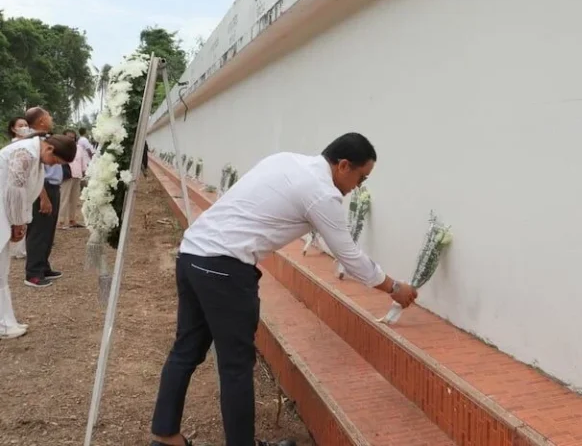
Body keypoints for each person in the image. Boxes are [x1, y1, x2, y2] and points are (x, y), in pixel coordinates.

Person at [150, 133, 418, 446]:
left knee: (186, 349)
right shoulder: (322, 194)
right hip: (224, 268)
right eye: (361, 177)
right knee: (236, 366)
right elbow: (350, 257)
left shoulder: (285, 160)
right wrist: (393, 287)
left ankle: (165, 437)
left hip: (193, 253)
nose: (358, 187)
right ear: (344, 165)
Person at [0, 134, 77, 339]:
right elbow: (15, 191)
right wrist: (18, 222)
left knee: (2, 271)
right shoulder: (25, 154)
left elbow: (25, 191)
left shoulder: (35, 155)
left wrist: (22, 220)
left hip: (5, 212)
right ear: (50, 149)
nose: (55, 165)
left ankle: (6, 321)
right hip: (3, 210)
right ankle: (4, 323)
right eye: (57, 161)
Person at [23, 107, 62, 288]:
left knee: (48, 230)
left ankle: (43, 266)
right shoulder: (33, 142)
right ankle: (33, 273)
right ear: (40, 121)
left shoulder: (45, 139)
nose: (51, 118)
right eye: (48, 115)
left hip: (52, 187)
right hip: (42, 188)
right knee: (38, 230)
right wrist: (43, 197)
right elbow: (33, 173)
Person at [7, 118, 31, 260]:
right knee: (17, 217)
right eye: (20, 125)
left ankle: (20, 249)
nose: (24, 128)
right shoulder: (15, 147)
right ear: (13, 129)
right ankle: (16, 250)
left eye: (26, 125)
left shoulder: (27, 145)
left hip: (25, 187)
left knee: (24, 217)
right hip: (16, 186)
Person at [58, 129, 87, 229]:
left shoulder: (79, 148)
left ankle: (72, 220)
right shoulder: (61, 147)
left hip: (77, 175)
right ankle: (60, 221)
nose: (71, 139)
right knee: (64, 198)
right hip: (67, 175)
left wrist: (84, 171)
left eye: (73, 137)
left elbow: (82, 161)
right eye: (69, 137)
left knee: (74, 199)